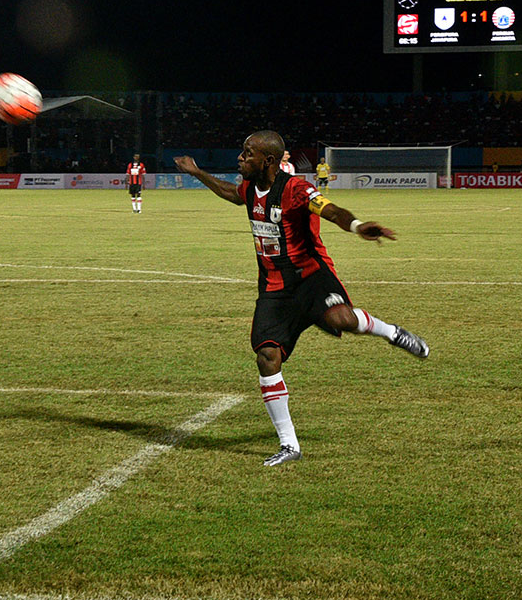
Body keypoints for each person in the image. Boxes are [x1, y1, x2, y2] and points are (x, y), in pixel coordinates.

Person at [174, 131, 429, 467]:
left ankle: (392, 333)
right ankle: (289, 445)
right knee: (267, 356)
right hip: (275, 288)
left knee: (341, 319)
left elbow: (332, 210)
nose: (240, 157)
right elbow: (232, 194)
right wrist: (198, 173)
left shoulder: (296, 189)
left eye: (246, 153)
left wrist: (356, 226)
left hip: (311, 277)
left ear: (267, 160)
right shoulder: (250, 189)